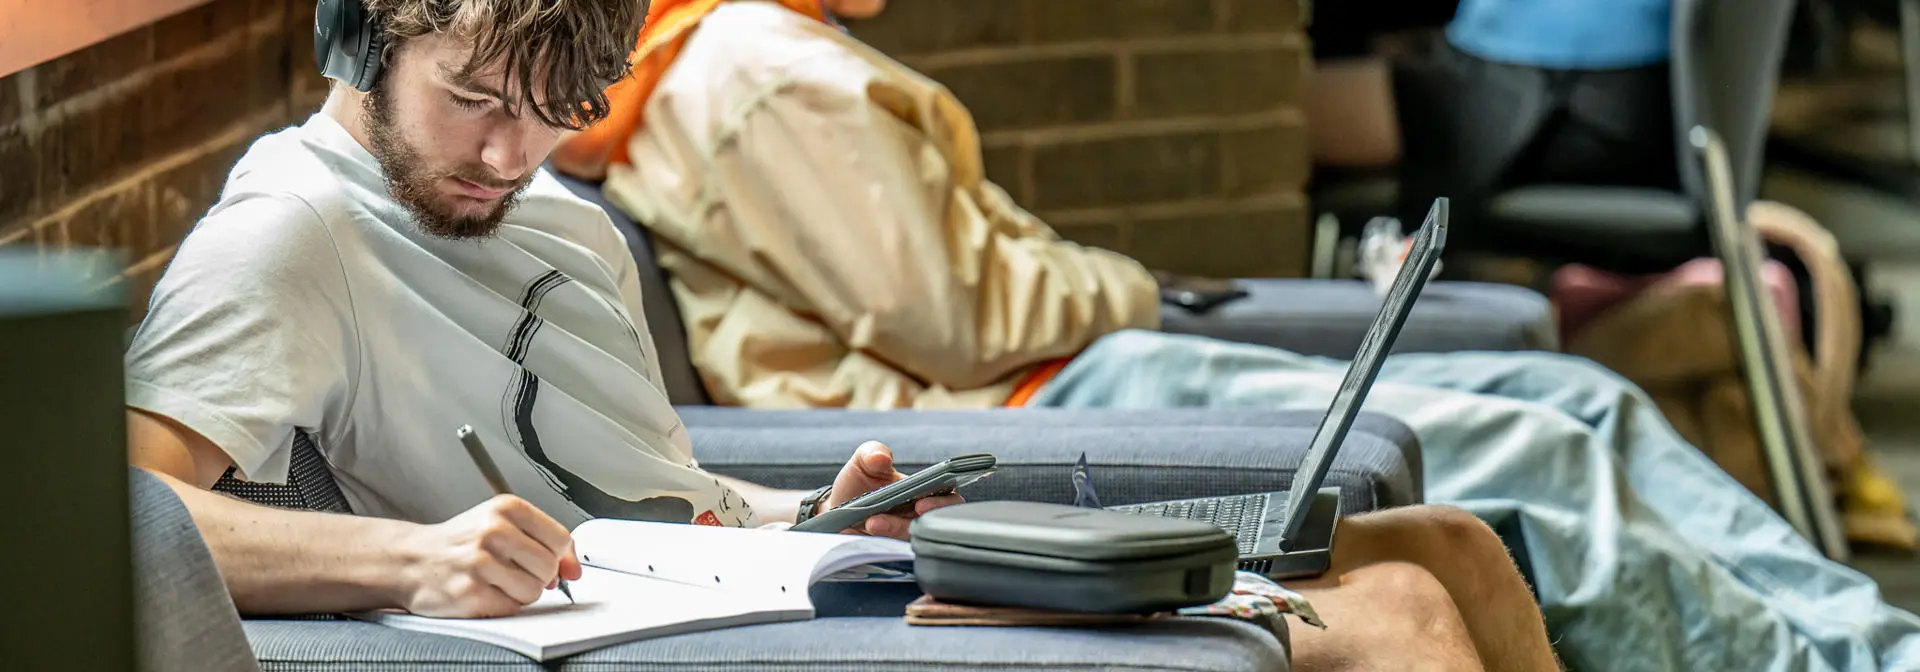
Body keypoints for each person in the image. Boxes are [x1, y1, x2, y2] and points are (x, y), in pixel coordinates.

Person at [121, 0, 1560, 669]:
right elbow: (123, 511)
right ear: (363, 35)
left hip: (769, 567)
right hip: (679, 635)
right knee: (1405, 622)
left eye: (552, 110)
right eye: (473, 100)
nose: (510, 154)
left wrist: (815, 503)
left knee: (1449, 545)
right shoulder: (289, 233)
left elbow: (648, 487)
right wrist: (411, 558)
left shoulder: (547, 220)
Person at [551, 0, 1920, 669]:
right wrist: (1126, 282)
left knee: (1574, 391)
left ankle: (1864, 643)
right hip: (1039, 389)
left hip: (1059, 352)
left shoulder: (780, 49)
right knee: (1536, 439)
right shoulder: (747, 72)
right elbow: (971, 319)